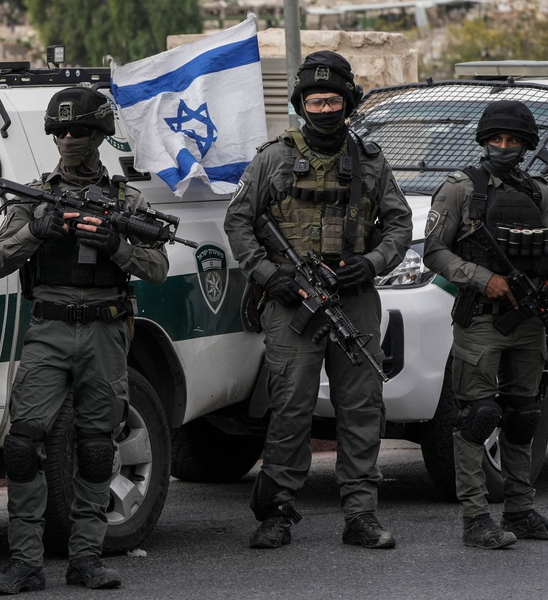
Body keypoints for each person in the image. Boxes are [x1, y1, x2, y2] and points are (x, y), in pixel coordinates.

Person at [0, 86, 168, 594]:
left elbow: (158, 267)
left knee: (94, 447)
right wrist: (37, 232)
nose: (69, 139)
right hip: (50, 328)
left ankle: (85, 558)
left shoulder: (126, 201)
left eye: (79, 131)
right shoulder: (33, 197)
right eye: (61, 131)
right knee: (22, 445)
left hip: (106, 329)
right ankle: (25, 563)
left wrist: (116, 246)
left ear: (100, 135)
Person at [224, 50, 412, 550]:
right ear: (301, 102)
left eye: (332, 100)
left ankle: (361, 515)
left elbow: (398, 225)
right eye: (315, 99)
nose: (324, 108)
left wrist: (370, 264)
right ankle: (277, 511)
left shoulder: (371, 161)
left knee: (362, 406)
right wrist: (269, 274)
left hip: (353, 298)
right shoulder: (274, 158)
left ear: (348, 101)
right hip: (292, 302)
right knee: (291, 406)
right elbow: (238, 221)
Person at [423, 100, 548, 549]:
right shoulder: (460, 189)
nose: (504, 147)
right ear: (484, 141)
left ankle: (521, 510)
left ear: (526, 145)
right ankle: (476, 518)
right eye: (497, 140)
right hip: (482, 319)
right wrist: (482, 278)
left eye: (513, 141)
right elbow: (434, 251)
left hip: (528, 319)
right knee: (477, 416)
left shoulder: (537, 193)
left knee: (524, 413)